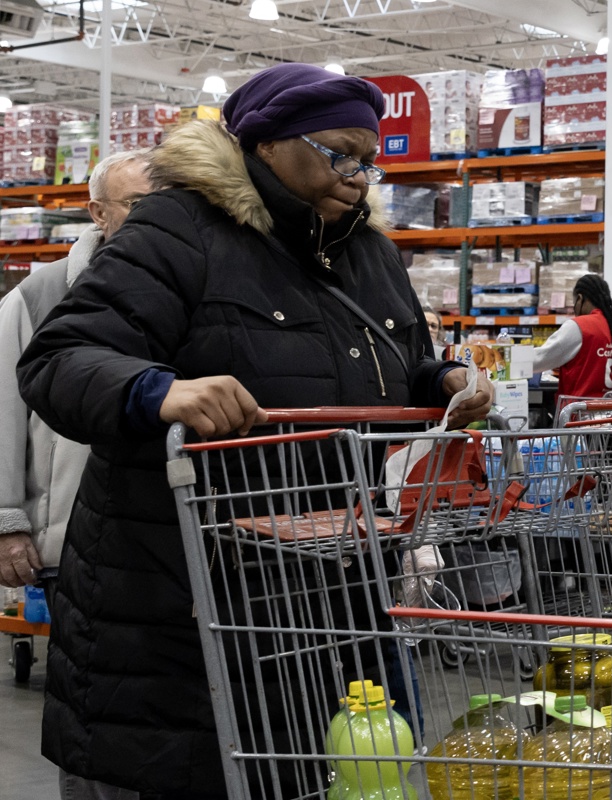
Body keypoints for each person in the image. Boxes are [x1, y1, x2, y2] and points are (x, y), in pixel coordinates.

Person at [16, 63, 493, 798]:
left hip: (320, 604)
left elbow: (404, 365)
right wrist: (159, 390)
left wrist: (447, 382)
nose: (360, 174)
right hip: (177, 602)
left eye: (370, 158)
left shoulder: (369, 254)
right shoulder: (181, 231)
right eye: (340, 152)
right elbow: (60, 360)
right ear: (267, 144)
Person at [0, 150, 152, 599]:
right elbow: (3, 411)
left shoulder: (194, 289)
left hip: (160, 536)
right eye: (139, 205)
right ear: (99, 213)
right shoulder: (41, 295)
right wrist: (7, 520)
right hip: (69, 535)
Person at [532, 273, 612, 400]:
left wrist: (506, 357)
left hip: (581, 416)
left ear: (580, 299)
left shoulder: (579, 327)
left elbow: (538, 360)